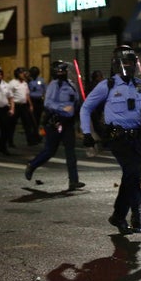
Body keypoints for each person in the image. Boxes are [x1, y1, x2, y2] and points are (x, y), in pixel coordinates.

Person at [80, 45, 141, 234]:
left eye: (131, 63)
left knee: (134, 177)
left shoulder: (139, 85)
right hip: (117, 138)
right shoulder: (107, 85)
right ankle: (120, 215)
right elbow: (86, 107)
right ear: (117, 65)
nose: (128, 66)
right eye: (124, 63)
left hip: (136, 138)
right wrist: (87, 132)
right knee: (132, 172)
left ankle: (135, 214)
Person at [25, 61, 85, 191]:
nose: (63, 73)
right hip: (55, 122)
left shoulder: (71, 84)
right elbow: (48, 103)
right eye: (60, 71)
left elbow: (75, 100)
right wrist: (63, 108)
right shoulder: (54, 85)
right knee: (50, 150)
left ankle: (73, 181)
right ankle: (32, 165)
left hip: (68, 123)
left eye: (64, 71)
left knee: (70, 152)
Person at [8, 67, 40, 147]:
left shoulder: (25, 83)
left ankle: (30, 140)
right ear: (18, 74)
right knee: (12, 125)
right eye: (22, 73)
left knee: (27, 123)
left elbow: (27, 95)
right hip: (16, 105)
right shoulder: (12, 83)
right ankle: (10, 141)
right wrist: (10, 107)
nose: (23, 74)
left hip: (24, 106)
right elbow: (9, 95)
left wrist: (30, 105)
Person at [27, 65, 46, 133]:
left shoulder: (41, 80)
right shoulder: (29, 81)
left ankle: (37, 131)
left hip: (39, 100)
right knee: (32, 117)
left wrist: (44, 99)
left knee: (38, 117)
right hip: (31, 100)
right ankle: (32, 131)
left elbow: (45, 90)